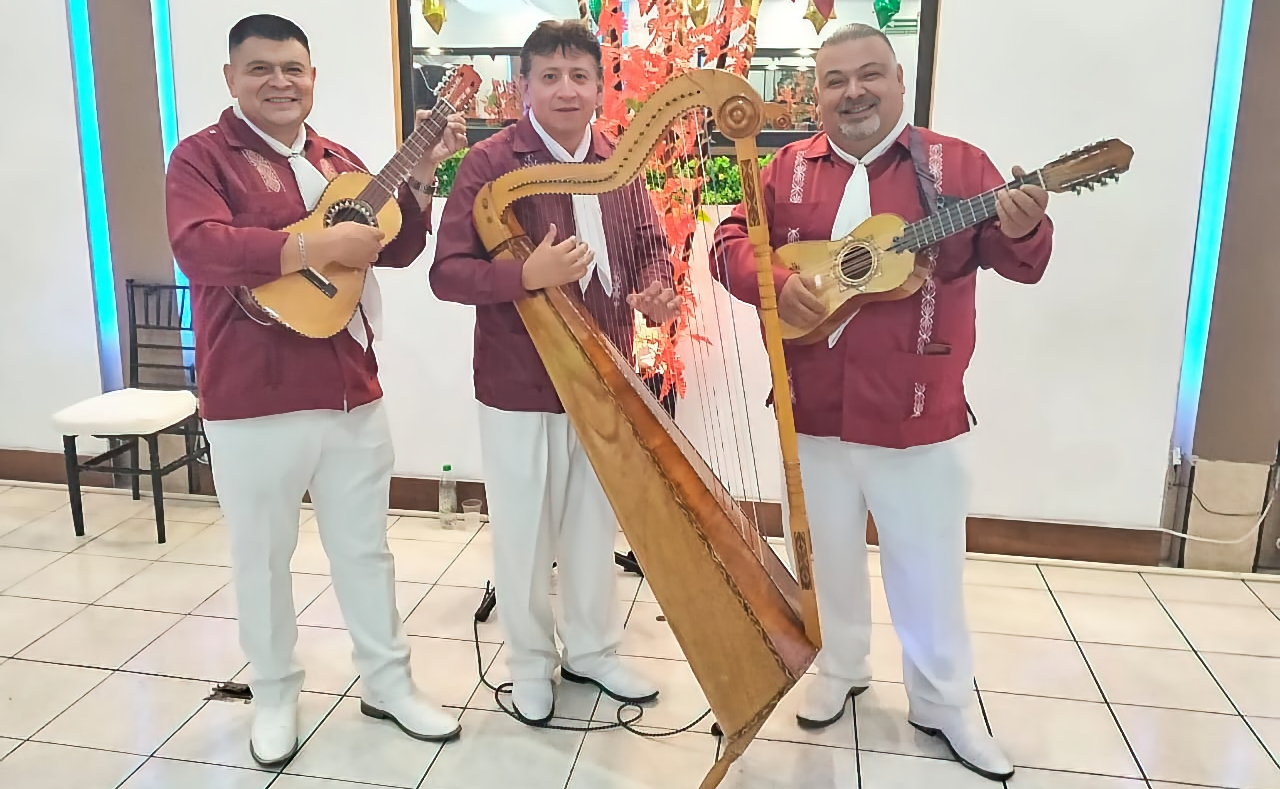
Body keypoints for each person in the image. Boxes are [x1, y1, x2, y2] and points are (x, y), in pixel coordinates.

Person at [712, 23, 1052, 783]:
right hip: (814, 408)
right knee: (825, 556)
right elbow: (729, 238)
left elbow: (1017, 260)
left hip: (917, 410)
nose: (853, 92)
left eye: (870, 75)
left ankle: (943, 702)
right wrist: (767, 273)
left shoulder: (956, 166)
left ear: (899, 80)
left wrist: (1026, 227)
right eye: (835, 80)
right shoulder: (787, 169)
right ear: (816, 93)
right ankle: (840, 668)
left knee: (926, 567)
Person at [165, 13, 468, 765]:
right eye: (261, 68)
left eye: (292, 68)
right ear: (231, 78)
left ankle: (388, 682)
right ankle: (273, 692)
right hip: (252, 394)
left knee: (366, 551)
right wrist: (311, 245)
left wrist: (424, 176)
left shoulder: (340, 160)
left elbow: (394, 246)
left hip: (350, 390)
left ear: (312, 76)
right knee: (262, 556)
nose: (279, 82)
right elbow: (199, 246)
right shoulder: (201, 158)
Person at [430, 20, 680, 725]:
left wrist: (657, 288)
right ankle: (531, 663)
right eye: (549, 76)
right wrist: (525, 274)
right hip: (520, 383)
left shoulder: (618, 160)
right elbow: (447, 274)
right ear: (524, 88)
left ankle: (594, 649)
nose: (565, 89)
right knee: (523, 531)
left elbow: (650, 247)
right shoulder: (490, 164)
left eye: (579, 76)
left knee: (594, 524)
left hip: (606, 379)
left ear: (601, 87)